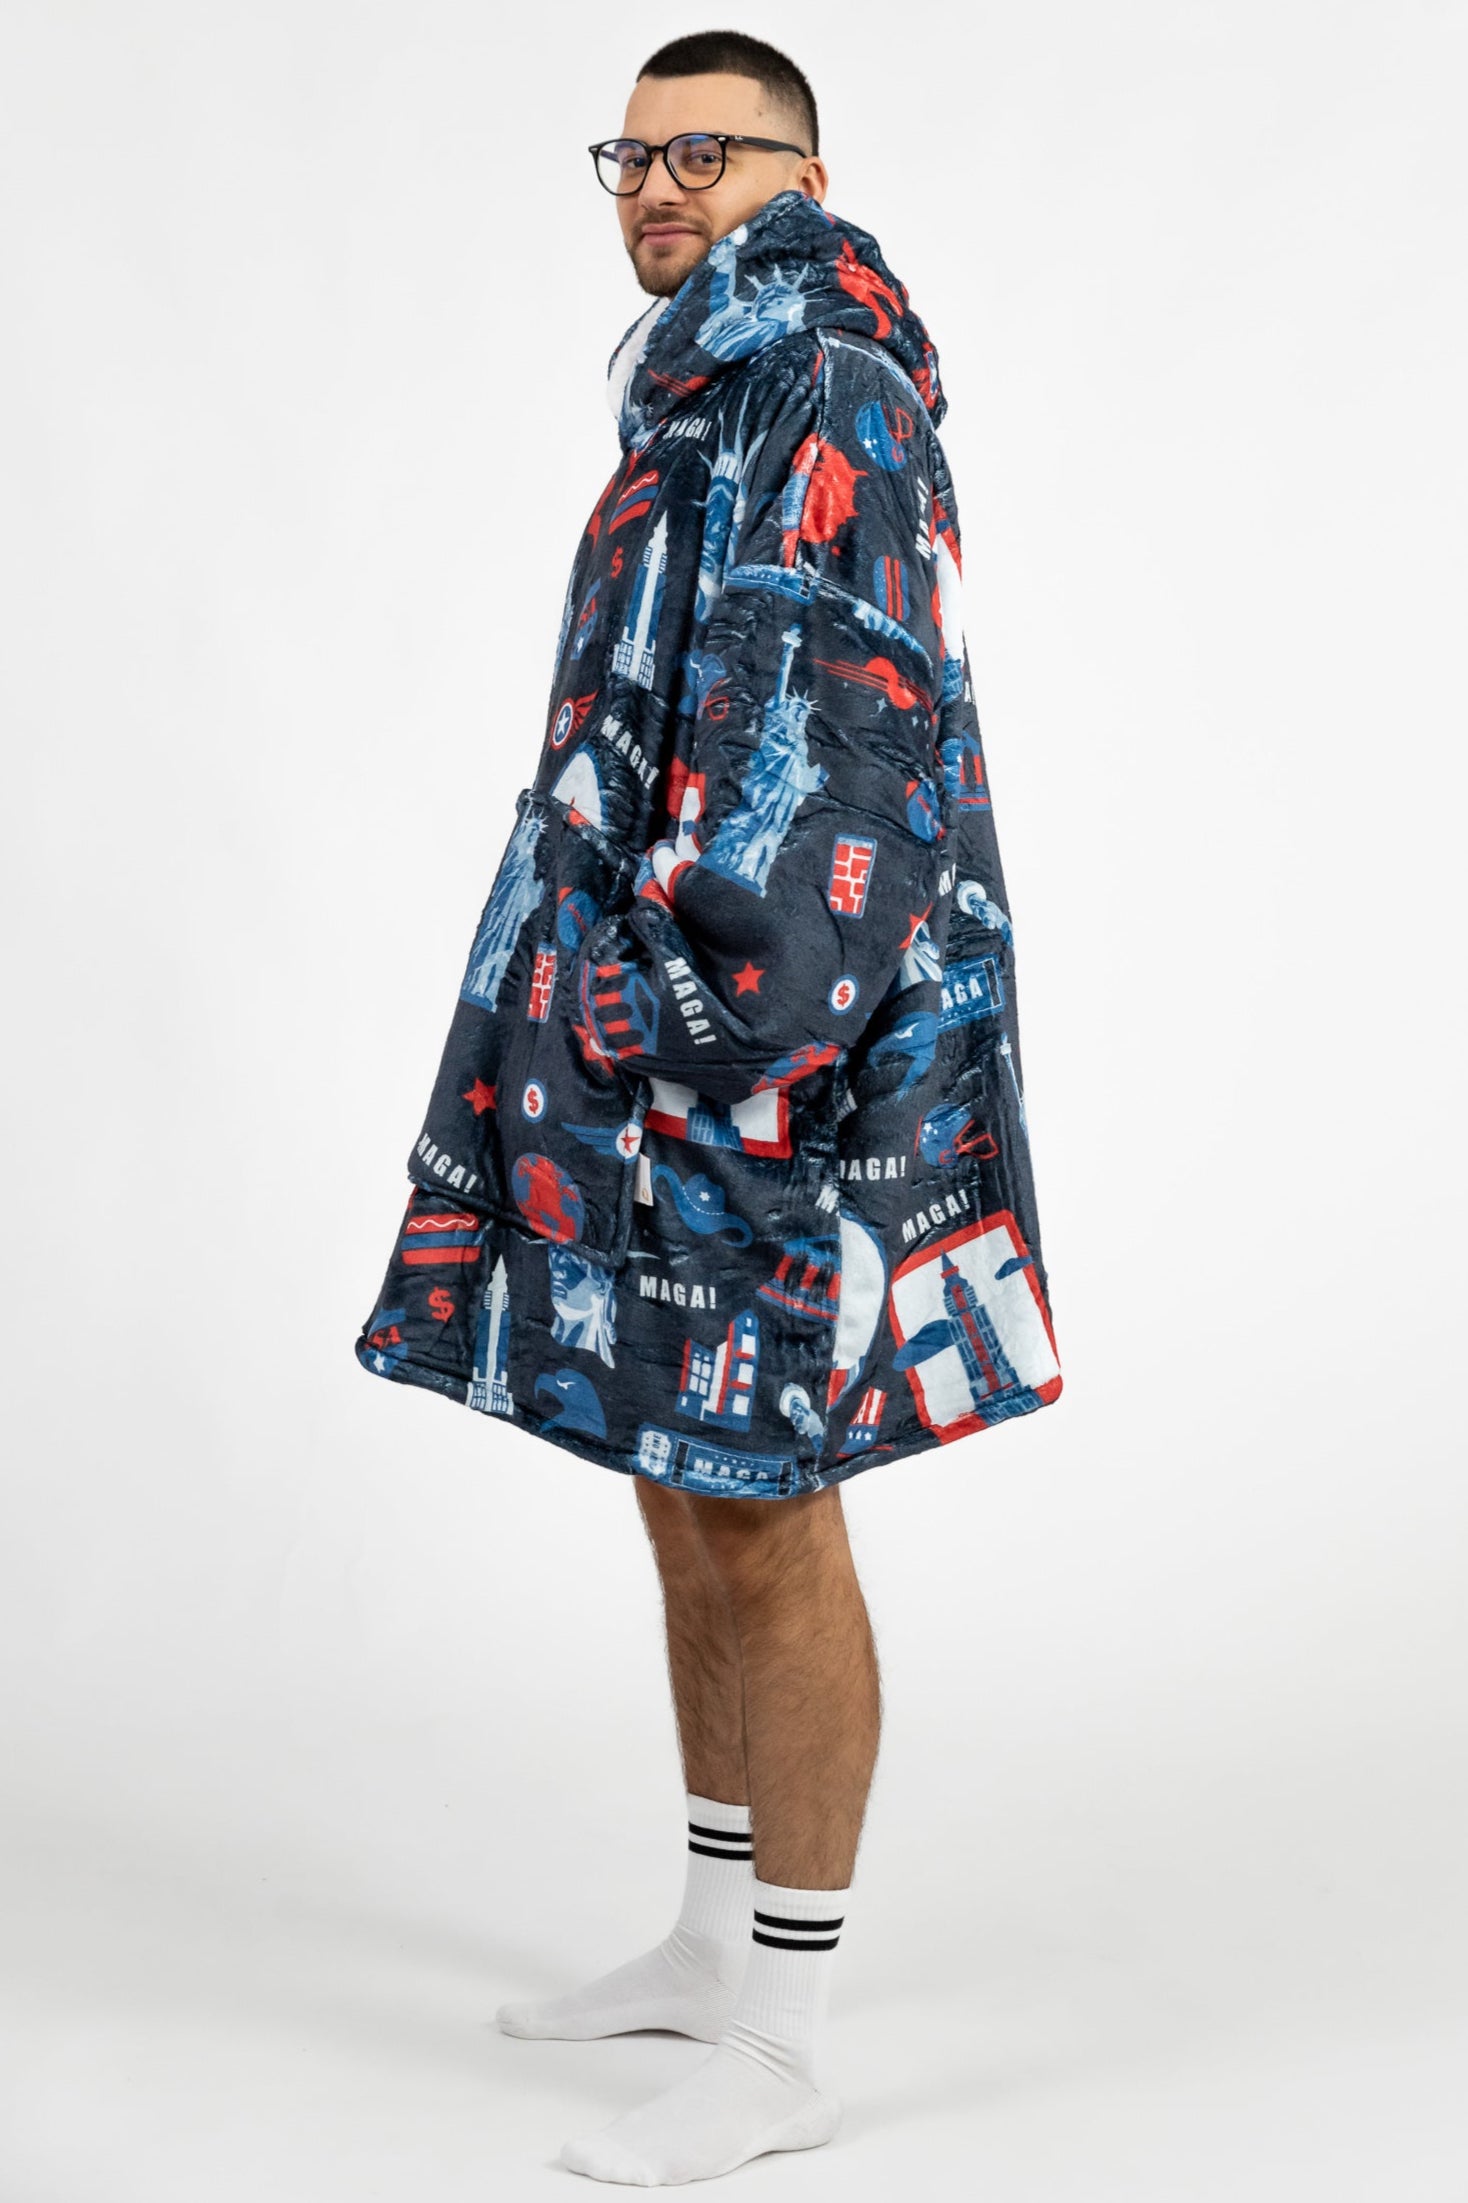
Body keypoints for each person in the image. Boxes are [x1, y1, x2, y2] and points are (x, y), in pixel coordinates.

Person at [355, 27, 1062, 2186]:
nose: (656, 186)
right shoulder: (699, 380)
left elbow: (841, 732)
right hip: (645, 1005)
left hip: (763, 1029)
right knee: (675, 1473)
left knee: (764, 1497)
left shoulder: (821, 378)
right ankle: (704, 1934)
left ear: (801, 172)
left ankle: (785, 2034)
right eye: (631, 154)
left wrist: (708, 1003)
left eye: (705, 152)